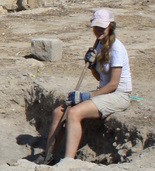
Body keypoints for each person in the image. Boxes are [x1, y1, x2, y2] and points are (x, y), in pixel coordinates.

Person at [42, 9, 133, 162]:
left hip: (119, 95)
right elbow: (101, 78)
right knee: (59, 112)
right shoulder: (99, 45)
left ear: (110, 26)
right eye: (96, 27)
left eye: (102, 28)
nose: (98, 31)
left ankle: (68, 162)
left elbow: (113, 84)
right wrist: (92, 66)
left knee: (74, 113)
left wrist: (87, 96)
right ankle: (48, 156)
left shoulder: (116, 48)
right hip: (104, 92)